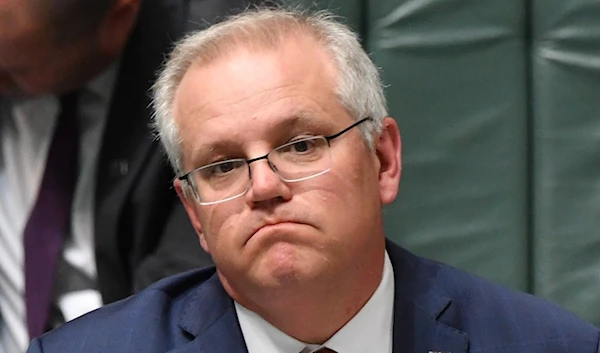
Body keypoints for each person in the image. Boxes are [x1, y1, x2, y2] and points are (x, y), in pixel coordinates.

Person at [27, 6, 600, 353]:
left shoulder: (546, 345)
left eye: (300, 146)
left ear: (384, 160)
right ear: (195, 212)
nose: (264, 186)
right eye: (223, 165)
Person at [0, 0, 259, 351]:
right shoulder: (27, 56)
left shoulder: (215, 74)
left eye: (14, 71)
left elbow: (180, 303)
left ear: (119, 17)